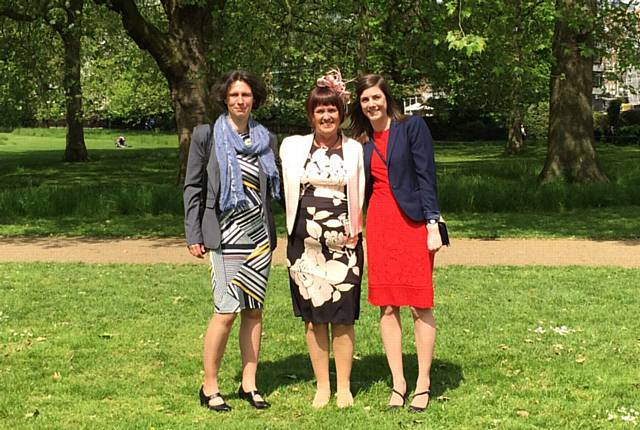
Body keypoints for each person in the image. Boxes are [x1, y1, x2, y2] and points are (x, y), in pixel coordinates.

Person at [183, 70, 280, 412]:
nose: (241, 100)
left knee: (253, 312)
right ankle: (209, 386)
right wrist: (194, 234)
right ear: (225, 98)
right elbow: (193, 187)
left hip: (259, 237)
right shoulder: (206, 135)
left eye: (247, 95)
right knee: (225, 311)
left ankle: (249, 383)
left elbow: (271, 190)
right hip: (225, 236)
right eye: (235, 94)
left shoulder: (265, 139)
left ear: (255, 99)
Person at [350, 74, 443, 413]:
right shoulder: (359, 141)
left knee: (420, 303)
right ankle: (398, 383)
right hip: (380, 223)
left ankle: (423, 382)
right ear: (359, 106)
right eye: (365, 100)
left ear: (387, 98)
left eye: (376, 97)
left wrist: (433, 223)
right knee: (387, 305)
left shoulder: (412, 127)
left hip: (414, 223)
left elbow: (426, 176)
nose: (372, 104)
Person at [280, 70, 365, 408]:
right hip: (305, 245)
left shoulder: (356, 150)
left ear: (341, 114)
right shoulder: (293, 147)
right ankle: (322, 386)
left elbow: (366, 192)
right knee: (314, 318)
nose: (326, 116)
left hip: (345, 244)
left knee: (343, 316)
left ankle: (343, 385)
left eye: (332, 110)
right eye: (320, 110)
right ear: (310, 115)